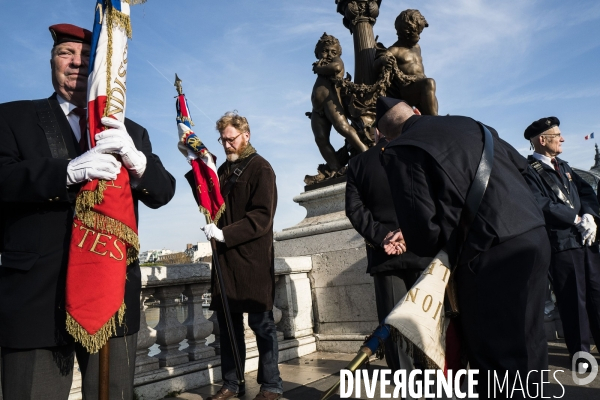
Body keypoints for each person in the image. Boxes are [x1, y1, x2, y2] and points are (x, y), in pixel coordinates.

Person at [0, 24, 176, 400]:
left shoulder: (130, 131)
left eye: (86, 56)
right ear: (51, 60)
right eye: (66, 53)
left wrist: (138, 161)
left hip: (111, 296)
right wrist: (65, 172)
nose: (76, 63)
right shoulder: (12, 117)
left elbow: (163, 192)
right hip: (36, 298)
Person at [377, 97, 550, 398]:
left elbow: (423, 231)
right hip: (533, 235)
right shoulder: (470, 123)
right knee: (531, 342)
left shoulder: (400, 149)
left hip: (490, 253)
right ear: (417, 111)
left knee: (498, 360)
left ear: (385, 134)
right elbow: (525, 172)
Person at [185, 112, 282, 400]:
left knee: (261, 325)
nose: (227, 145)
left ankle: (272, 385)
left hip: (252, 260)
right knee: (227, 326)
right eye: (223, 140)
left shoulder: (262, 169)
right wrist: (196, 165)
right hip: (226, 261)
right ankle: (231, 383)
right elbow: (208, 197)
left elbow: (262, 217)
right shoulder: (224, 171)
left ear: (246, 136)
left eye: (232, 139)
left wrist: (225, 234)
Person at [345, 117, 432, 371]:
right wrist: (407, 232)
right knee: (428, 325)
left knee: (393, 330)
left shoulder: (358, 162)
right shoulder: (416, 152)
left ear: (375, 134)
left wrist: (383, 236)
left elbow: (354, 209)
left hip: (385, 257)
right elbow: (429, 199)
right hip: (422, 250)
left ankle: (407, 390)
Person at [523, 117, 600, 367]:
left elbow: (586, 192)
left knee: (597, 297)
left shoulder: (564, 166)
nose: (563, 139)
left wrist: (589, 215)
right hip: (563, 244)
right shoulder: (529, 171)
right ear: (542, 140)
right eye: (557, 135)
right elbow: (539, 202)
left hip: (586, 241)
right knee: (572, 303)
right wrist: (574, 218)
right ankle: (582, 357)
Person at [310, 33, 368, 174]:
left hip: (332, 102)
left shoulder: (336, 62)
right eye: (325, 51)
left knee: (343, 127)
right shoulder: (322, 67)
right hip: (317, 109)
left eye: (333, 51)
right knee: (320, 139)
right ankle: (335, 167)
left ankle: (366, 154)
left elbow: (335, 67)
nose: (329, 54)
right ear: (317, 53)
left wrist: (318, 68)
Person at [374, 10, 438, 116]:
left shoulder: (417, 47)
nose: (419, 37)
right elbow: (375, 65)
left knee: (428, 87)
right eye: (417, 33)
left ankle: (433, 118)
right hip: (407, 90)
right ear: (407, 32)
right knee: (429, 83)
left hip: (421, 87)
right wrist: (383, 60)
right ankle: (435, 119)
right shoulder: (395, 50)